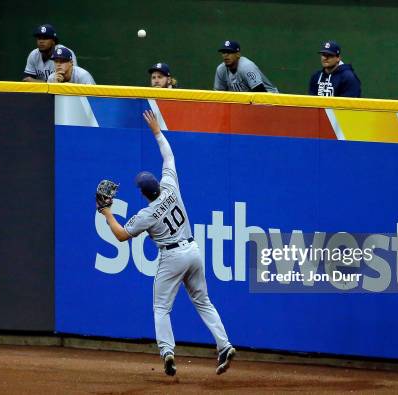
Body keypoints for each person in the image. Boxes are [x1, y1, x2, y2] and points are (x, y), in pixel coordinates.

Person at [97, 110, 236, 376]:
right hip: (193, 250)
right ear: (157, 186)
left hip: (172, 256)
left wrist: (106, 213)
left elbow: (120, 235)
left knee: (161, 307)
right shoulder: (170, 186)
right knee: (203, 301)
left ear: (143, 193)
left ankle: (167, 352)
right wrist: (157, 132)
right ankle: (224, 344)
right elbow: (169, 156)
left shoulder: (147, 214)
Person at [214, 40, 278, 92]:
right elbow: (219, 95)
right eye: (223, 52)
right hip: (246, 103)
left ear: (238, 54)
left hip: (270, 100)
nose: (226, 55)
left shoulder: (246, 66)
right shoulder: (221, 69)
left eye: (229, 52)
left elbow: (260, 91)